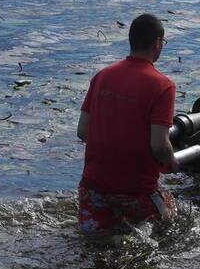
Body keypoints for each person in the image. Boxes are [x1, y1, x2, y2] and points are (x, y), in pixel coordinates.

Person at [76, 13, 179, 232]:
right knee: (173, 225)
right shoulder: (163, 85)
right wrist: (171, 162)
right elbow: (160, 146)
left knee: (97, 243)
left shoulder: (102, 76)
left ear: (131, 40)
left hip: (92, 188)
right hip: (135, 192)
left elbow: (83, 131)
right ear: (157, 43)